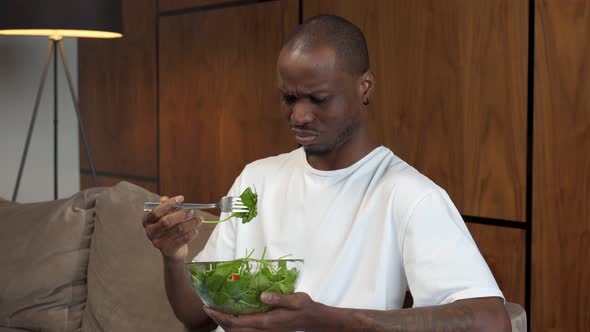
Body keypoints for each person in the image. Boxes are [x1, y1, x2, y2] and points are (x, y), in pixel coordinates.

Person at [142, 15, 511, 332]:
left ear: (364, 87)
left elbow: (492, 321)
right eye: (288, 98)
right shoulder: (257, 179)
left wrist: (325, 319)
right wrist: (174, 256)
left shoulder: (408, 195)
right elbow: (197, 317)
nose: (299, 116)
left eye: (318, 99)